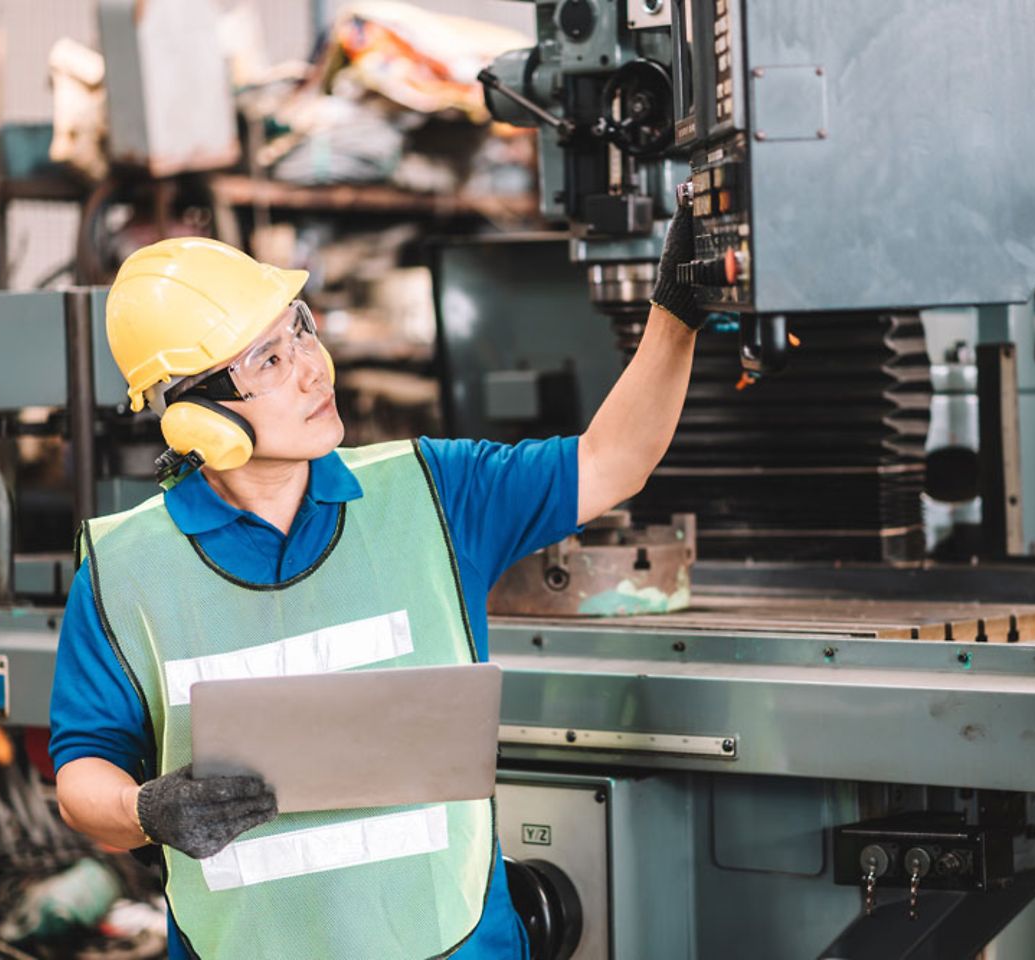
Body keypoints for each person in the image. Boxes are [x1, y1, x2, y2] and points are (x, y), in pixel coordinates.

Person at [49, 210, 705, 959]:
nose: (311, 366)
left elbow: (612, 461)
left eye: (300, 329)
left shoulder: (432, 490)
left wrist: (675, 312)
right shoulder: (124, 567)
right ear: (197, 417)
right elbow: (82, 775)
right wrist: (146, 808)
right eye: (267, 360)